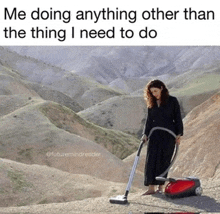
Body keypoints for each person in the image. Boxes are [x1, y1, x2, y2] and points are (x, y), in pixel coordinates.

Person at [141, 79, 183, 195]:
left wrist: (179, 134)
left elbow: (178, 118)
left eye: (155, 91)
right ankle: (151, 188)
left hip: (169, 135)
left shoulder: (172, 101)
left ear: (162, 88)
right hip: (154, 135)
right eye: (152, 92)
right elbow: (149, 121)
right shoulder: (152, 103)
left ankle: (160, 187)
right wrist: (145, 134)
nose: (154, 94)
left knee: (164, 161)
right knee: (151, 160)